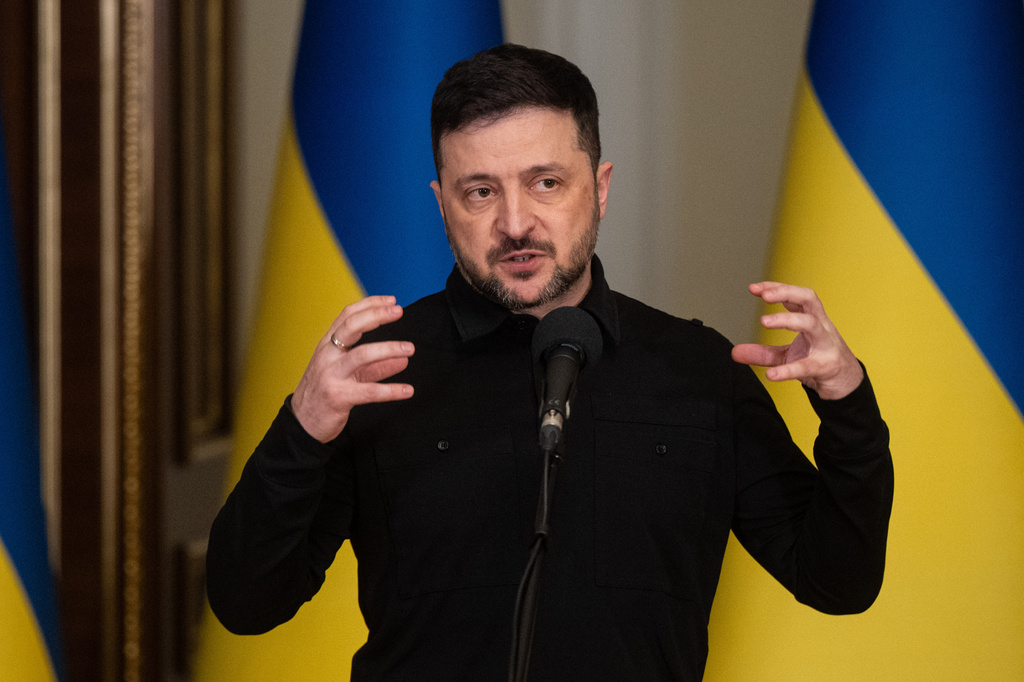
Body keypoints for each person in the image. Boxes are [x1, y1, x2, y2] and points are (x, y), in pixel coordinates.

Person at [207, 44, 893, 681]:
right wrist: (303, 429)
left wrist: (847, 403)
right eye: (480, 192)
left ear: (599, 187)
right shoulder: (379, 374)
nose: (515, 223)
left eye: (545, 183)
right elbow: (247, 604)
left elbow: (838, 581)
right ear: (442, 205)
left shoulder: (698, 371)